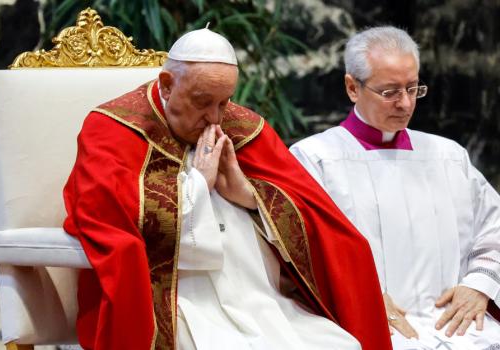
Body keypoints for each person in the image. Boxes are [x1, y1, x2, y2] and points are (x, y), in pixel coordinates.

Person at [62, 28, 392, 350]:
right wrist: (198, 186)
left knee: (341, 344)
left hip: (259, 302)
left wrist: (249, 196)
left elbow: (320, 221)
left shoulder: (242, 127)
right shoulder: (112, 129)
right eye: (202, 102)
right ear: (166, 85)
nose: (215, 118)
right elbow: (108, 222)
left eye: (225, 102)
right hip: (178, 305)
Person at [291, 26, 500, 350]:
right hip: (362, 324)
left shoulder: (448, 156)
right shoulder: (315, 159)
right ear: (352, 87)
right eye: (389, 92)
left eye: (413, 88)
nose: (405, 103)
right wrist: (361, 298)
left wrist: (479, 285)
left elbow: (494, 225)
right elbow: (304, 249)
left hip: (459, 327)